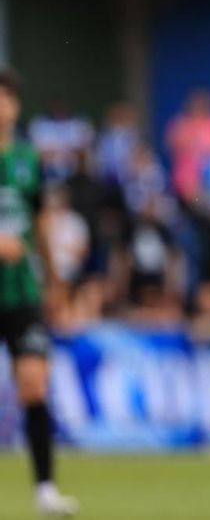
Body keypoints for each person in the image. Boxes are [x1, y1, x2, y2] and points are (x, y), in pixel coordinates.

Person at [0, 71, 78, 517]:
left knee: (33, 383)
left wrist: (55, 283)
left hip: (22, 293)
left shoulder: (28, 158)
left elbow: (40, 225)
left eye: (6, 98)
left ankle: (45, 489)